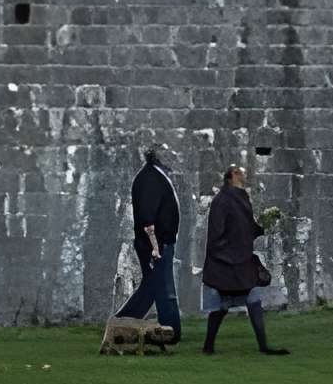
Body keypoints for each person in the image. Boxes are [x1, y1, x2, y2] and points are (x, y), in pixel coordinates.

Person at [198, 164, 287, 355]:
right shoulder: (222, 200)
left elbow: (246, 228)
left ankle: (262, 346)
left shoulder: (241, 197)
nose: (245, 175)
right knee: (224, 305)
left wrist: (262, 225)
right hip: (228, 264)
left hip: (240, 262)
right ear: (232, 176)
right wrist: (231, 254)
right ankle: (208, 346)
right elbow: (216, 235)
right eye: (240, 172)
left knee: (250, 299)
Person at [115, 146, 182, 343]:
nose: (173, 157)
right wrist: (155, 247)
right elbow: (147, 218)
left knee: (153, 287)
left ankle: (122, 324)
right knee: (162, 289)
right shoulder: (150, 178)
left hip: (160, 243)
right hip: (156, 244)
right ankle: (170, 331)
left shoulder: (153, 176)